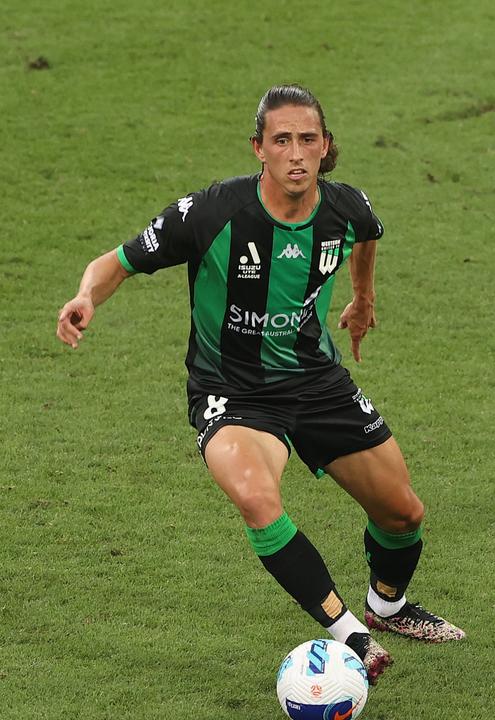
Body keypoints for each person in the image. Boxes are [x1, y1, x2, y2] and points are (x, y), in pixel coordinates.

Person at [56, 84, 464, 683]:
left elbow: (368, 234)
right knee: (255, 497)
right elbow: (116, 261)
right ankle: (350, 634)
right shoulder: (211, 213)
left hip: (317, 382)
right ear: (259, 149)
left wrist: (364, 297)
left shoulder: (345, 208)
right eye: (282, 141)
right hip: (233, 390)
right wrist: (86, 296)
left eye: (308, 140)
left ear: (325, 147)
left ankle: (387, 606)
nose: (297, 154)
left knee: (402, 515)